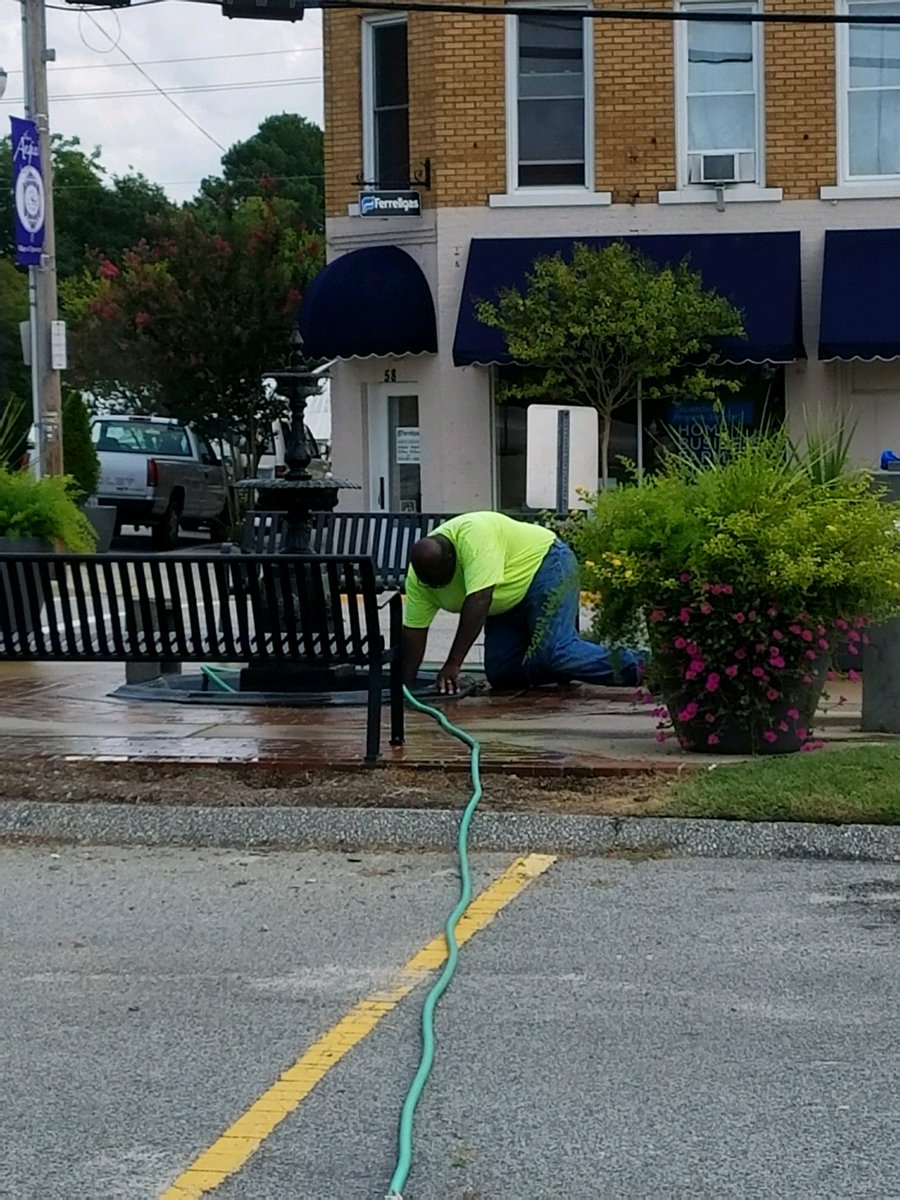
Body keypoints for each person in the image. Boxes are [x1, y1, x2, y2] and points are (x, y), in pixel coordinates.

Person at [402, 511, 643, 695]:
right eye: (429, 583)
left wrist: (453, 664)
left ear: (453, 557)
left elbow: (479, 600)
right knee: (502, 674)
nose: (436, 587)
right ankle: (571, 653)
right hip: (507, 604)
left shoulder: (474, 538)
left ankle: (649, 669)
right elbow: (414, 632)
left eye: (442, 580)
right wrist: (405, 685)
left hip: (546, 565)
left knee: (556, 652)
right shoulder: (419, 580)